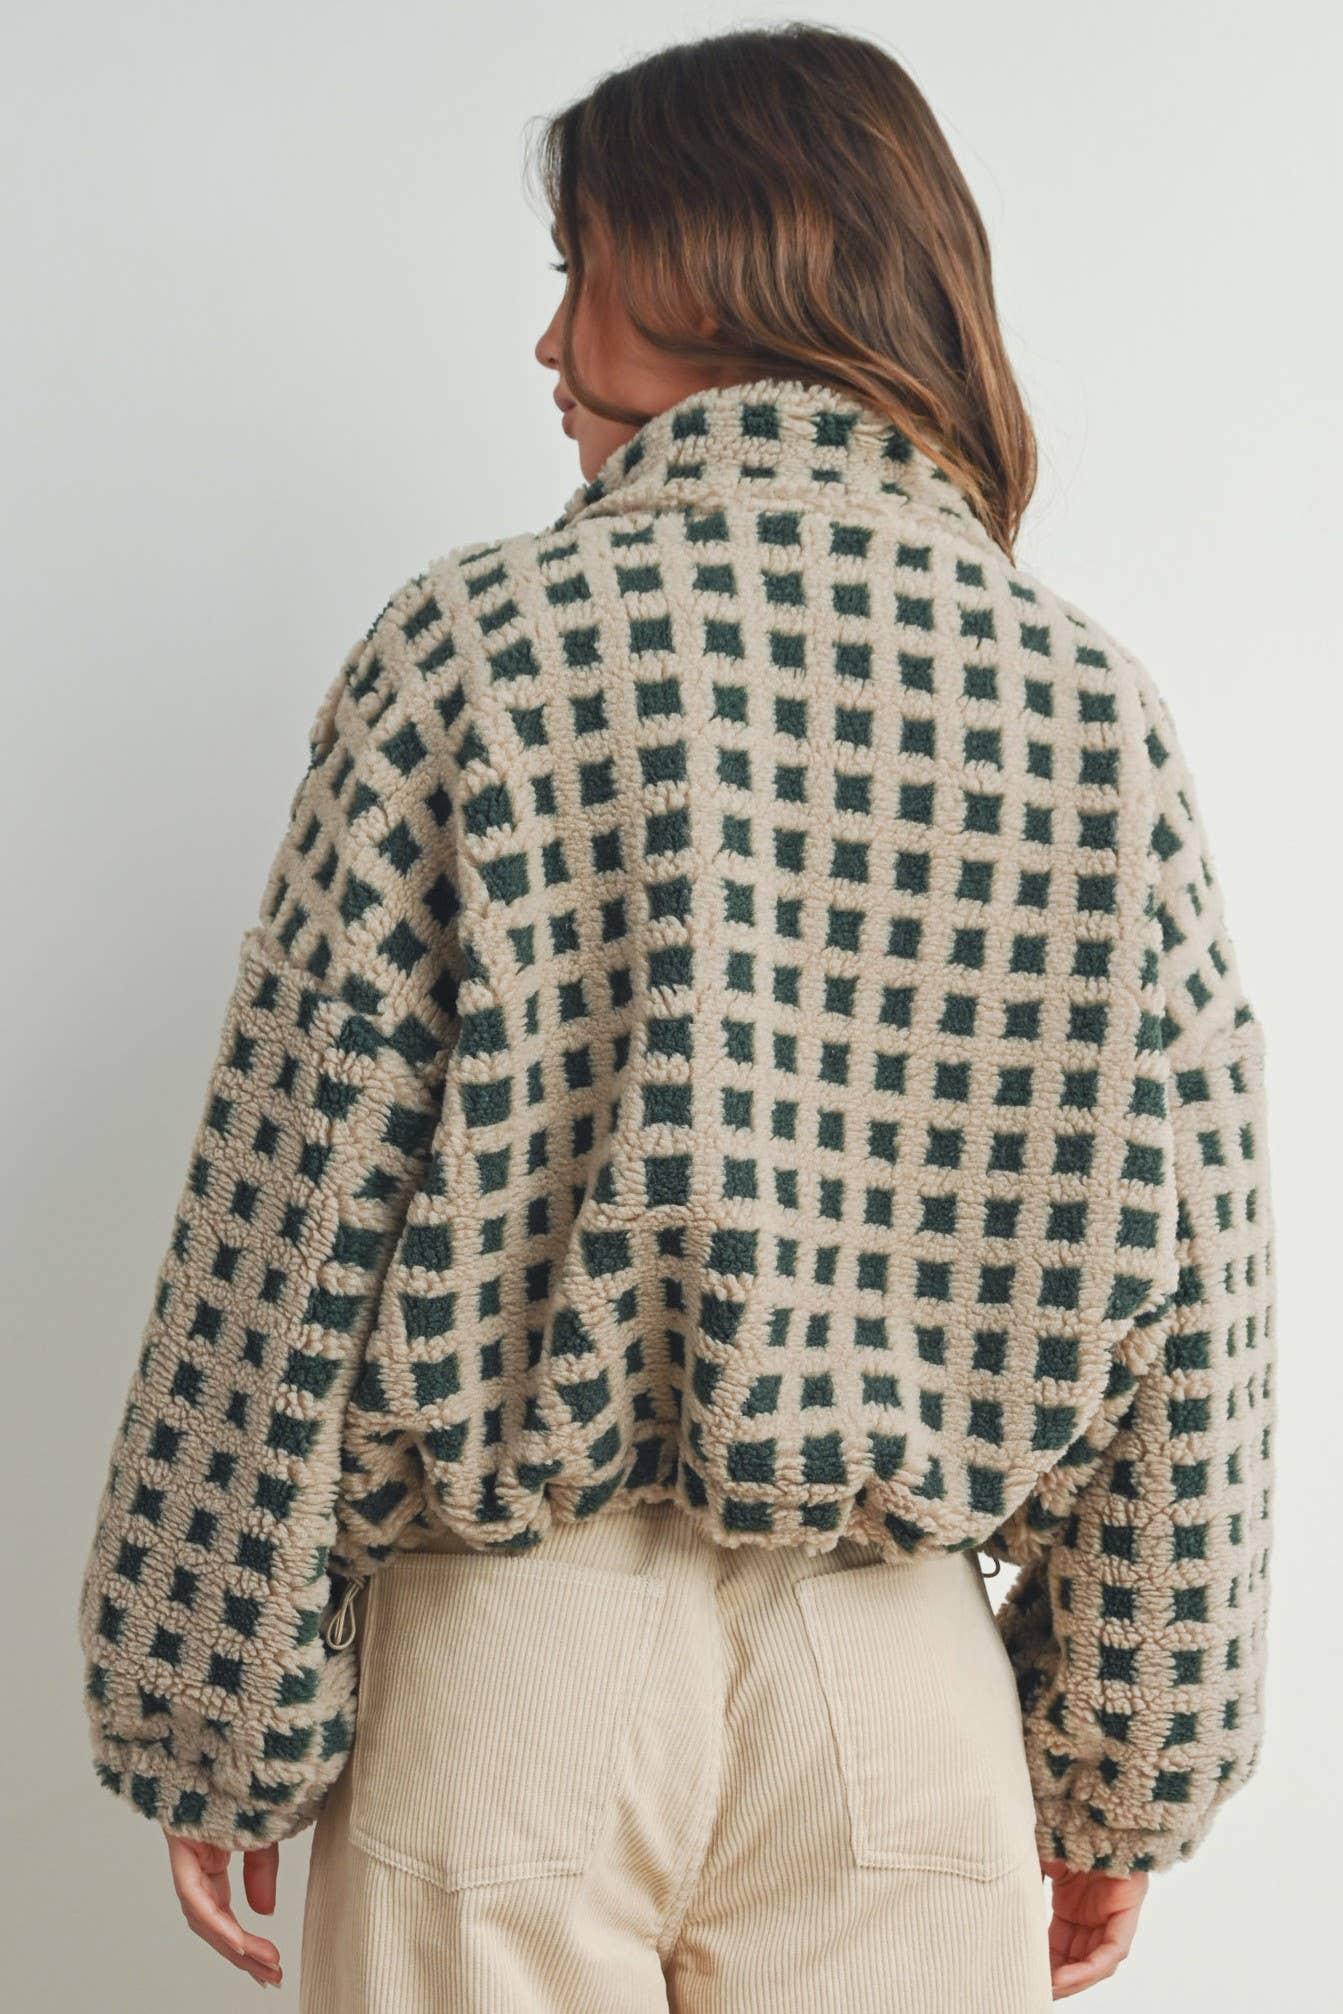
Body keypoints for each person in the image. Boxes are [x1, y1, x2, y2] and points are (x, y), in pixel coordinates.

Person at [74, 22, 1276, 2011]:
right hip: (900, 1702)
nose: (549, 342)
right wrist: (1126, 1769)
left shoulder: (476, 654)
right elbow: (1196, 1295)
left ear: (739, 256)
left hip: (512, 1666)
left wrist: (214, 1703)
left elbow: (292, 1214)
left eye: (585, 268)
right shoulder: (1093, 717)